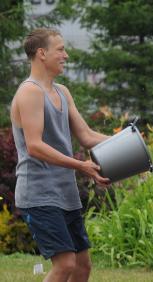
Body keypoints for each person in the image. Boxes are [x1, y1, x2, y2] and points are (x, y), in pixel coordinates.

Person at [10, 28, 110, 282]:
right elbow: (35, 146)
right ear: (42, 53)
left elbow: (86, 136)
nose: (66, 55)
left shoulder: (62, 92)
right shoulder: (30, 92)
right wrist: (81, 165)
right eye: (61, 49)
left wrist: (129, 140)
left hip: (64, 192)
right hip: (39, 193)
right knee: (65, 264)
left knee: (83, 266)